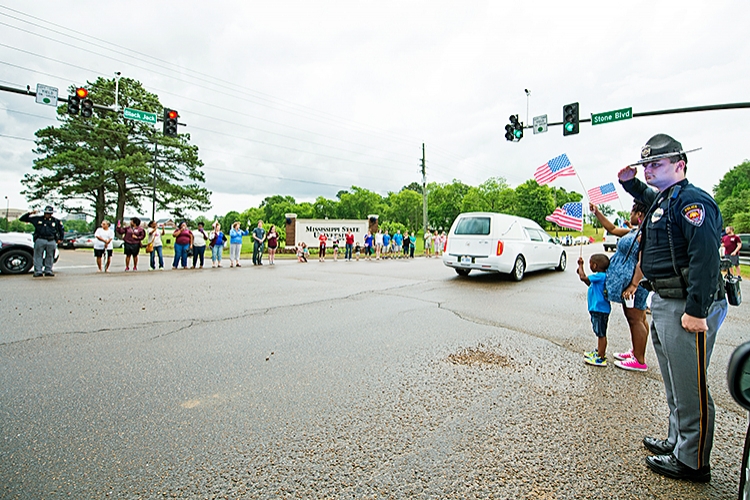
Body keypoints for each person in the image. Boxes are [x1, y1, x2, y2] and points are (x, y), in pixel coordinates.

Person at [618, 133, 728, 482]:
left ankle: (693, 461)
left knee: (690, 385)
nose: (649, 170)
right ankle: (677, 441)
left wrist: (696, 310)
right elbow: (648, 196)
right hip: (665, 300)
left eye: (656, 164)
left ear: (680, 165)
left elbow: (705, 255)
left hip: (687, 304)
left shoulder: (692, 201)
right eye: (645, 164)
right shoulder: (667, 198)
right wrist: (629, 182)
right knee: (674, 383)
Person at [589, 202, 650, 372]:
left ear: (639, 214)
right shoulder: (635, 230)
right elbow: (613, 229)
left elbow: (642, 261)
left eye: (632, 211)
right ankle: (636, 351)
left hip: (634, 283)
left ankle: (639, 360)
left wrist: (633, 284)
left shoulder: (645, 234)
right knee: (639, 317)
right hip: (628, 281)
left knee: (635, 318)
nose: (629, 214)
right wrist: (597, 213)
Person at [576, 254, 611, 367]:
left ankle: (601, 357)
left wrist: (581, 266)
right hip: (599, 309)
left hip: (599, 309)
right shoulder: (600, 277)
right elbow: (588, 282)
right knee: (599, 332)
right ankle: (599, 352)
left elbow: (583, 278)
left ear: (595, 265)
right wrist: (580, 271)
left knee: (601, 333)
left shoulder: (600, 276)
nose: (589, 265)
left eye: (590, 263)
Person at [19, 206, 64, 277]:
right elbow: (22, 219)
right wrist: (30, 213)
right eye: (46, 213)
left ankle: (48, 270)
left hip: (51, 240)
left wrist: (60, 239)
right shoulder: (37, 219)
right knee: (38, 256)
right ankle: (38, 271)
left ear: (52, 213)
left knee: (50, 256)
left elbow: (61, 230)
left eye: (49, 213)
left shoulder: (56, 221)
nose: (47, 214)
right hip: (40, 239)